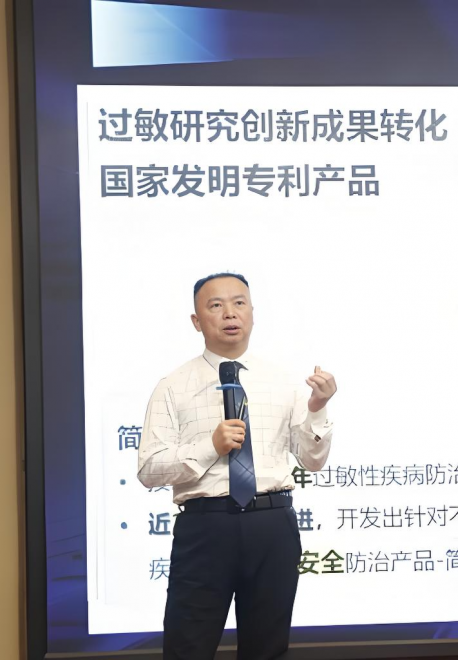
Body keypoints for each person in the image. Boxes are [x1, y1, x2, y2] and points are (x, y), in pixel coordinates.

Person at [137, 272, 336, 660]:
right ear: (197, 321)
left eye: (239, 303)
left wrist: (317, 409)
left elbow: (312, 461)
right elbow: (149, 469)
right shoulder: (173, 385)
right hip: (205, 528)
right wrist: (208, 448)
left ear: (252, 313)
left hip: (272, 525)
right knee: (188, 647)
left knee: (267, 648)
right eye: (216, 305)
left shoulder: (284, 381)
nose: (230, 313)